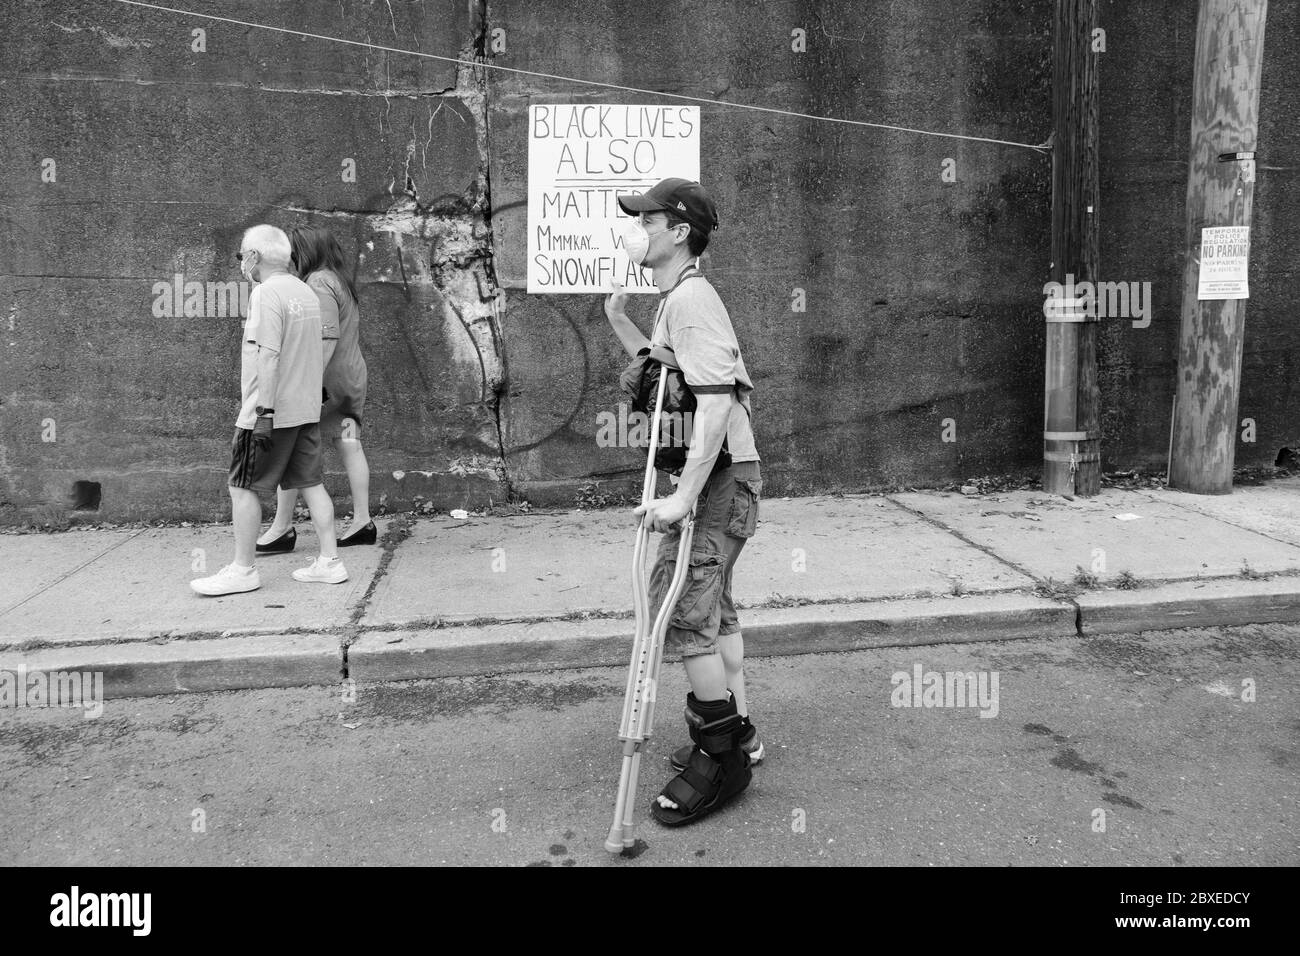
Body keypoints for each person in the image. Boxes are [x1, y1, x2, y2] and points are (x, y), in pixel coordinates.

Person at [604, 178, 764, 826]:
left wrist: (684, 497)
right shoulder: (678, 300)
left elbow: (718, 401)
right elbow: (667, 374)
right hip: (727, 477)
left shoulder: (694, 300)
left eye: (647, 220)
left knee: (685, 610)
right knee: (715, 612)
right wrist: (619, 319)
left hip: (722, 481)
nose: (639, 229)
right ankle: (743, 735)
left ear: (677, 231)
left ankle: (721, 757)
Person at [190, 224, 348, 595]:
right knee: (311, 483)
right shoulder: (306, 292)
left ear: (253, 257)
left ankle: (243, 571)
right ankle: (330, 561)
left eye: (241, 256)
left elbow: (269, 355)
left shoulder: (265, 293)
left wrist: (263, 411)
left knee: (242, 488)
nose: (241, 262)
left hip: (269, 412)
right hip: (305, 411)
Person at [255, 227, 374, 552]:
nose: (291, 259)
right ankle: (363, 520)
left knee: (291, 445)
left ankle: (281, 527)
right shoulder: (339, 280)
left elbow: (327, 336)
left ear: (305, 252)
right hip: (350, 377)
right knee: (350, 444)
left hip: (326, 381)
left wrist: (307, 381)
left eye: (294, 252)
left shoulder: (318, 282)